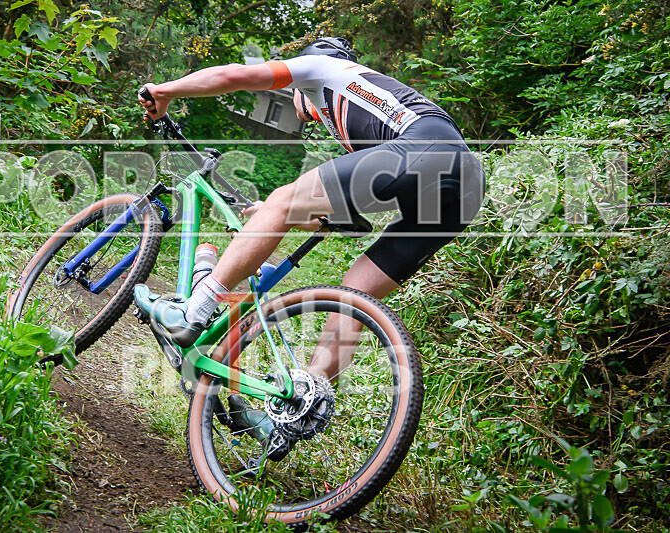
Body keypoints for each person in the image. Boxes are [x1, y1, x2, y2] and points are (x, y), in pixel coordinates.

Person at [134, 37, 484, 451]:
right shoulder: (362, 115)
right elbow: (340, 219)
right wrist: (275, 213)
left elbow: (233, 77)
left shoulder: (321, 69)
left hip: (426, 150)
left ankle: (194, 310)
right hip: (465, 189)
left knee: (285, 201)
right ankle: (304, 403)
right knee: (354, 293)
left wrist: (165, 91)